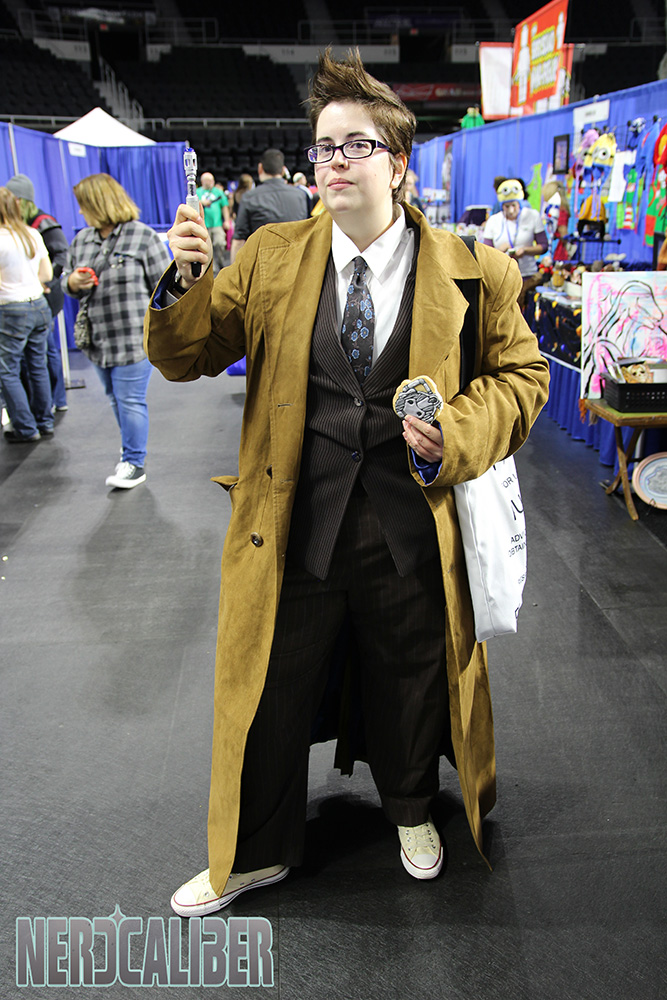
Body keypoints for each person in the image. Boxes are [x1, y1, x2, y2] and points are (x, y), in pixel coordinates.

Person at [145, 48, 549, 917]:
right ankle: (252, 851)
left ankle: (410, 809)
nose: (332, 162)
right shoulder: (269, 258)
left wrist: (456, 433)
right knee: (268, 687)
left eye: (353, 146)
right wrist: (186, 280)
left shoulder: (475, 270)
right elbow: (188, 356)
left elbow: (523, 377)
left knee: (409, 675)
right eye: (322, 147)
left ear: (396, 163)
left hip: (412, 517)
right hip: (294, 519)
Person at [63, 173, 171, 489]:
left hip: (133, 339)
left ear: (99, 203)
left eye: (84, 204)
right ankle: (129, 453)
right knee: (115, 399)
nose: (80, 211)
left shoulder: (142, 237)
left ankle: (134, 463)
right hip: (97, 341)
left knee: (130, 400)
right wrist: (73, 282)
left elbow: (164, 288)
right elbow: (66, 280)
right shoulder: (82, 240)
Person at [6, 173, 70, 412]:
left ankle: (57, 400)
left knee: (47, 353)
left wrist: (47, 281)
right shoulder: (22, 227)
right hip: (34, 296)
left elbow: (61, 255)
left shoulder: (42, 223)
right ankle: (47, 407)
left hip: (45, 294)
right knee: (38, 358)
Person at [0, 186, 53, 443]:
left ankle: (25, 427)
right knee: (37, 365)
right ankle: (45, 421)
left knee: (7, 370)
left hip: (11, 309)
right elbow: (47, 274)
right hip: (38, 305)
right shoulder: (31, 234)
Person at [230, 148, 310, 261]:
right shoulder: (300, 196)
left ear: (260, 168)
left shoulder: (249, 198)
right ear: (283, 171)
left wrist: (234, 269)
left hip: (263, 264)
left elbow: (239, 241)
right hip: (295, 263)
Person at [483, 177, 548, 309]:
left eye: (514, 205)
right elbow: (484, 254)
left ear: (520, 203)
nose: (511, 210)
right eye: (507, 206)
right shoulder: (494, 221)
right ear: (501, 206)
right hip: (502, 278)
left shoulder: (532, 216)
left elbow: (543, 246)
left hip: (527, 275)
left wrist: (526, 250)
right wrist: (499, 251)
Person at [196, 172, 230, 274]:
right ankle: (211, 267)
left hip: (217, 224)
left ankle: (221, 263)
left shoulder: (218, 192)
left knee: (219, 243)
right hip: (203, 225)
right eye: (208, 180)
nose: (211, 182)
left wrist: (227, 220)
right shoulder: (197, 192)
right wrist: (202, 203)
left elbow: (224, 206)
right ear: (203, 181)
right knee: (206, 248)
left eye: (212, 180)